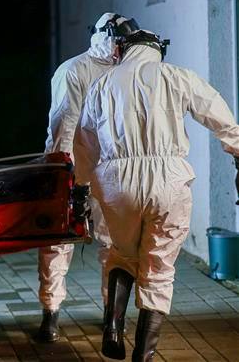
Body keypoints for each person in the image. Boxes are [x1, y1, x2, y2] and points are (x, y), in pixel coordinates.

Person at [77, 29, 239, 361]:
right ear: (157, 50)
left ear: (123, 50)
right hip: (168, 181)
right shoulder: (177, 76)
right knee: (159, 265)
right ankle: (144, 355)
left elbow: (85, 143)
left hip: (116, 183)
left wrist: (81, 185)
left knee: (122, 255)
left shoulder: (101, 85)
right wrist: (236, 148)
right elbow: (217, 114)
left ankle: (112, 328)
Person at [38, 13, 140, 342]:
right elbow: (63, 122)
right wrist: (62, 169)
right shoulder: (74, 70)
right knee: (58, 242)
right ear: (106, 38)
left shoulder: (125, 71)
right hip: (74, 168)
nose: (122, 49)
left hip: (112, 170)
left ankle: (113, 314)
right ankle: (51, 311)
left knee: (114, 243)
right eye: (119, 42)